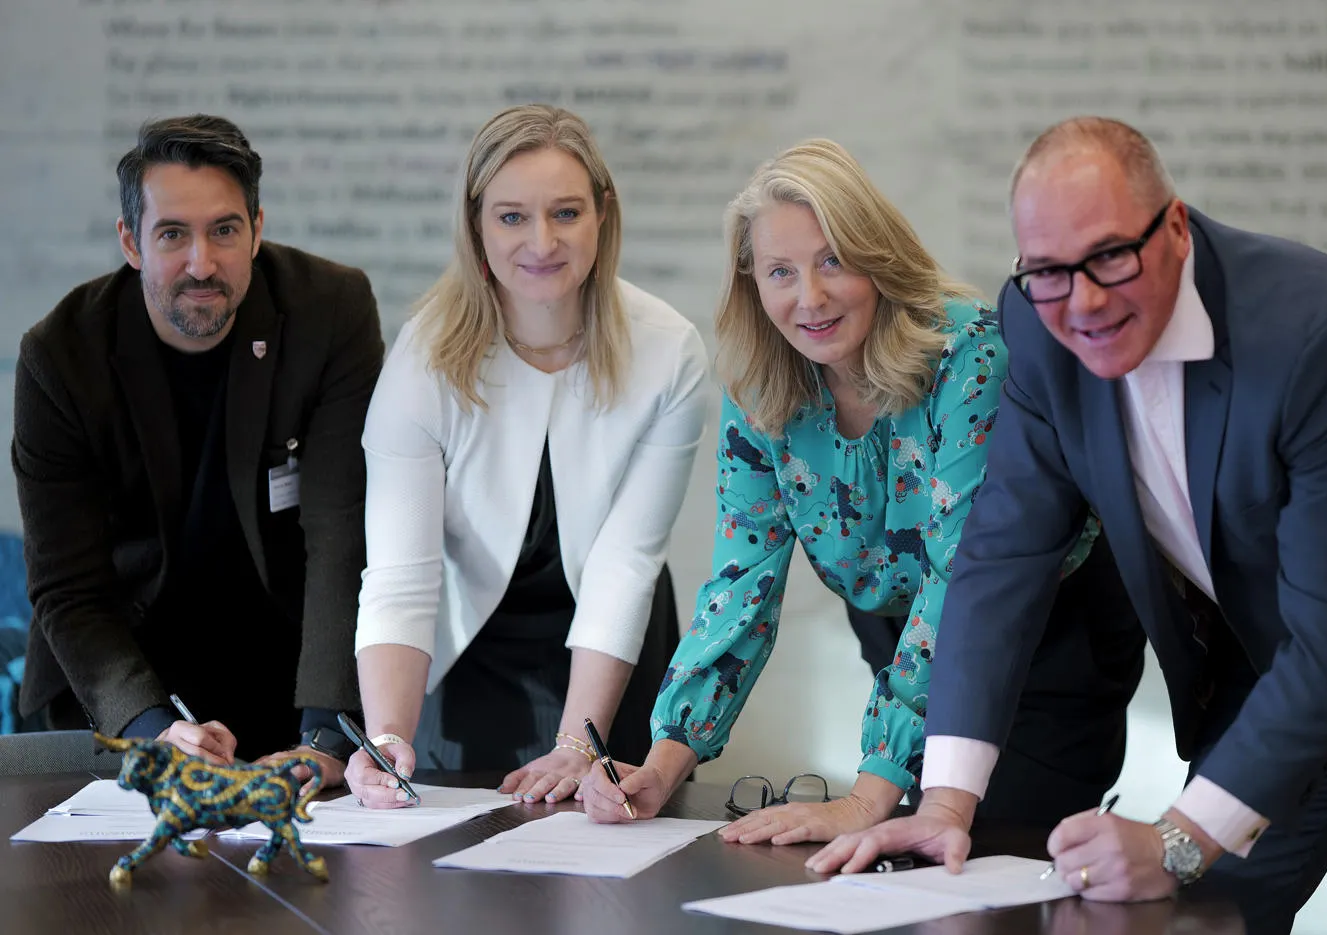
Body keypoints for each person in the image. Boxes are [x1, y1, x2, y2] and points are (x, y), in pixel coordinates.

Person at [810, 117, 1327, 933]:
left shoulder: (1322, 335)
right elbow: (1002, 554)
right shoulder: (1037, 324)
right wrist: (945, 800)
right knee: (1192, 912)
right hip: (1287, 673)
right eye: (1047, 271)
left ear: (1175, 226)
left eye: (1110, 256)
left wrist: (1177, 837)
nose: (1085, 301)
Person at [582, 139, 1143, 842]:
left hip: (1042, 637)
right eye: (780, 271)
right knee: (903, 860)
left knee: (991, 853)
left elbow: (961, 576)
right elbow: (740, 586)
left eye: (833, 261)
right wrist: (664, 762)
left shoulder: (969, 355)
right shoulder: (760, 389)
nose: (808, 297)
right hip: (903, 638)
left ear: (876, 257)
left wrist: (868, 792)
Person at [344, 105, 709, 809]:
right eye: (512, 216)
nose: (541, 241)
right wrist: (386, 735)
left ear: (603, 216)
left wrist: (579, 740)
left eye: (565, 213)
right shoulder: (424, 361)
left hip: (615, 649)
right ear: (477, 225)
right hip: (473, 644)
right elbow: (400, 576)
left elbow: (624, 563)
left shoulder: (669, 350)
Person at [14, 114, 384, 786]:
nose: (202, 263)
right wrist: (153, 730)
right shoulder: (60, 356)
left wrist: (326, 731)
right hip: (116, 690)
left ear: (258, 228)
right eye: (173, 234)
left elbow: (341, 532)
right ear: (131, 241)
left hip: (286, 674)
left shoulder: (331, 310)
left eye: (224, 230)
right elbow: (69, 589)